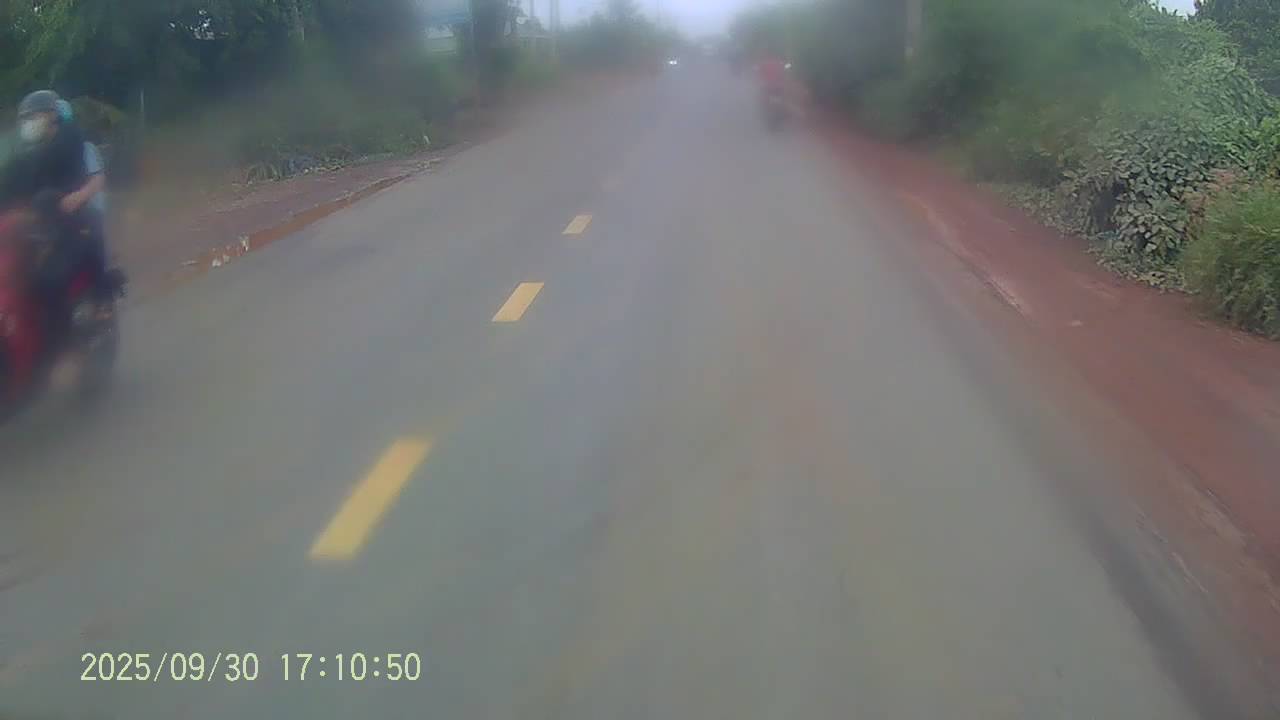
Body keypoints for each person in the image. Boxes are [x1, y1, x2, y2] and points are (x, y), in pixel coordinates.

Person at [0, 90, 107, 341]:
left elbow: (96, 179)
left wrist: (77, 197)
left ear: (52, 116)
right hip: (37, 225)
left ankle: (79, 330)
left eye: (33, 116)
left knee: (49, 279)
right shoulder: (26, 156)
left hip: (74, 218)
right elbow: (11, 185)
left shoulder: (74, 143)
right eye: (25, 119)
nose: (29, 123)